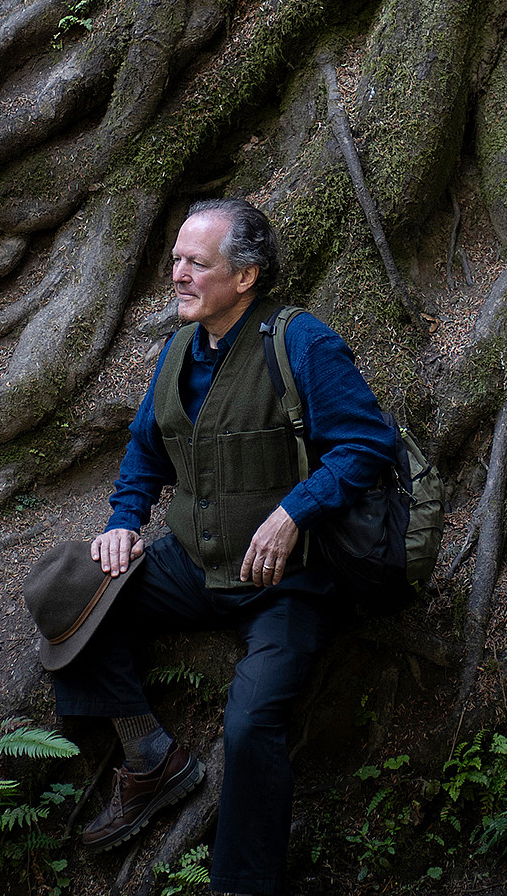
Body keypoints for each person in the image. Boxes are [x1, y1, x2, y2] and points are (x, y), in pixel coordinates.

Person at [53, 198, 396, 896]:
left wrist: (294, 513)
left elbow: (367, 442)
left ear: (244, 276)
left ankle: (241, 884)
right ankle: (149, 754)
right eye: (175, 259)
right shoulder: (178, 350)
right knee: (63, 589)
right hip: (192, 565)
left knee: (249, 725)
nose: (176, 274)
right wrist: (123, 518)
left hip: (290, 581)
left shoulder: (300, 342)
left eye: (194, 262)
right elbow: (145, 450)